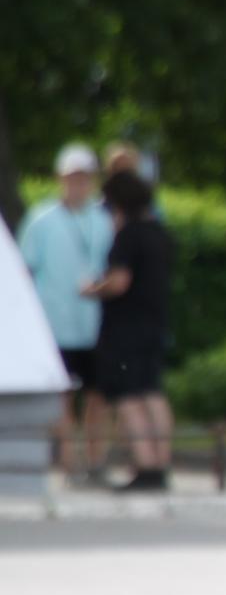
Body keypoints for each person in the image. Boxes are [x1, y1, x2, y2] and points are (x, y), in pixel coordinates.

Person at [16, 144, 113, 480]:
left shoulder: (103, 220)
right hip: (54, 323)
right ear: (61, 179)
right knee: (63, 397)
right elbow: (23, 270)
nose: (78, 185)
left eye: (84, 178)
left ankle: (96, 459)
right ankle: (71, 462)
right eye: (72, 178)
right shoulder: (41, 220)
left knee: (98, 395)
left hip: (95, 323)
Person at [81, 169, 174, 492]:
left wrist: (94, 289)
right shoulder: (159, 232)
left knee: (128, 395)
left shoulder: (129, 235)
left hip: (125, 329)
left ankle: (146, 465)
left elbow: (119, 282)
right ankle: (161, 462)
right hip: (154, 324)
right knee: (152, 392)